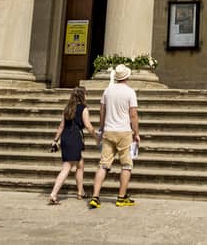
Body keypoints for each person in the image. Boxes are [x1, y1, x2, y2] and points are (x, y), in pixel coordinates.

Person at [89, 64, 141, 209]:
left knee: (104, 164)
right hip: (124, 131)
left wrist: (102, 128)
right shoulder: (130, 92)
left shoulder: (107, 91)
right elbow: (133, 115)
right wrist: (136, 133)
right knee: (126, 165)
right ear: (127, 76)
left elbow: (102, 112)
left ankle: (95, 196)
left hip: (109, 130)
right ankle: (121, 197)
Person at [47, 85, 91, 204]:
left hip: (66, 138)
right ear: (82, 95)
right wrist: (95, 135)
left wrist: (55, 140)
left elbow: (61, 126)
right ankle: (54, 194)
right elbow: (87, 125)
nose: (87, 96)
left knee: (80, 164)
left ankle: (80, 192)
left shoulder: (67, 108)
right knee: (67, 167)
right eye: (86, 93)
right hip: (74, 138)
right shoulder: (83, 108)